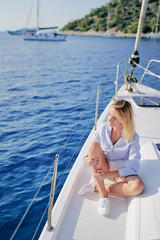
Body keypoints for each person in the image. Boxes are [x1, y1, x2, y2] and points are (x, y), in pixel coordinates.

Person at [79, 99, 144, 217]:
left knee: (137, 187)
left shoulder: (133, 137)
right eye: (109, 115)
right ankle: (103, 196)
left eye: (115, 118)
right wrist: (87, 160)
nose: (109, 119)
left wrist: (108, 175)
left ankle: (96, 187)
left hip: (121, 173)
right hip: (104, 166)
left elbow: (134, 167)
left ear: (124, 119)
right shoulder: (103, 128)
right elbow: (88, 152)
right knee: (93, 146)